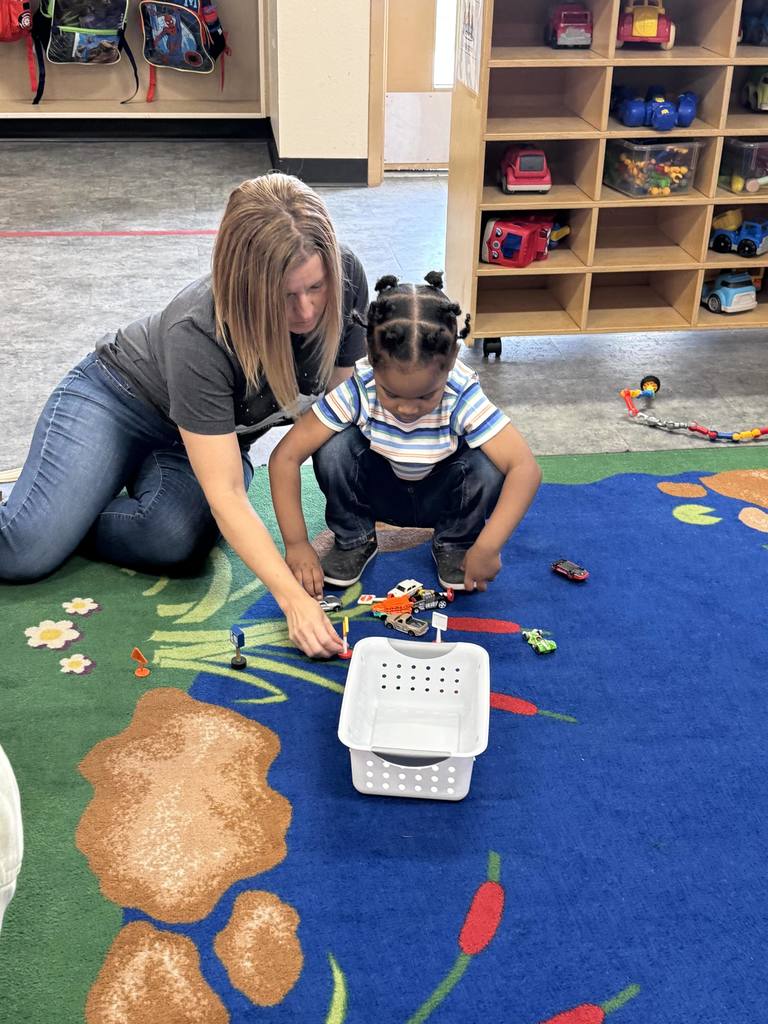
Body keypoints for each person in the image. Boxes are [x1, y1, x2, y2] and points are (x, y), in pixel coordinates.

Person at [0, 173, 369, 657]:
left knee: (173, 540)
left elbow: (340, 409)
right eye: (284, 296)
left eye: (315, 288)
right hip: (118, 399)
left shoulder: (346, 277)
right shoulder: (197, 329)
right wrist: (294, 602)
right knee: (25, 549)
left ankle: (69, 504)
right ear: (245, 289)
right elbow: (228, 494)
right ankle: (48, 511)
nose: (306, 311)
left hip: (202, 439)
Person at [268, 272, 542, 596]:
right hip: (379, 495)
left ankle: (456, 541)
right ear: (371, 358)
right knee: (333, 447)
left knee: (489, 462)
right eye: (392, 395)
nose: (407, 410)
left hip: (441, 499)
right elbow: (284, 456)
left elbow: (526, 469)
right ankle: (355, 539)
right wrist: (297, 544)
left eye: (425, 396)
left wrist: (488, 545)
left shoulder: (461, 394)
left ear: (451, 361)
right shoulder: (362, 386)